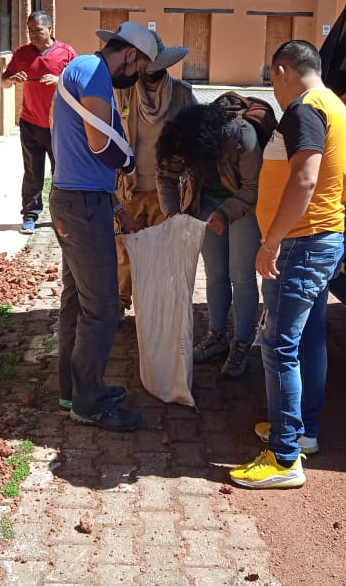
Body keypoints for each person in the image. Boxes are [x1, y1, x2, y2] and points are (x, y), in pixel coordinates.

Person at [229, 39, 346, 489]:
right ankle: (303, 432)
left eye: (271, 77)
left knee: (278, 344)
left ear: (282, 70)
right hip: (323, 237)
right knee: (307, 337)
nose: (272, 88)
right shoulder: (335, 105)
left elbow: (304, 178)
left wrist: (272, 243)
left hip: (301, 243)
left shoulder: (304, 109)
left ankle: (284, 457)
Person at [50, 21, 184, 432]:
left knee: (79, 300)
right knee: (104, 307)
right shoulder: (92, 73)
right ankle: (89, 403)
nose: (140, 73)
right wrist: (127, 160)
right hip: (80, 206)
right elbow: (99, 144)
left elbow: (85, 160)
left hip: (80, 200)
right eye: (141, 64)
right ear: (130, 54)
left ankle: (73, 390)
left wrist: (115, 207)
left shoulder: (85, 70)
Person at [156, 102, 263, 379]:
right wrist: (173, 215)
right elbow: (166, 177)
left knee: (241, 275)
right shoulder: (184, 138)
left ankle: (241, 343)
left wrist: (226, 213)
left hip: (245, 205)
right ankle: (217, 338)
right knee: (215, 273)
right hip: (207, 202)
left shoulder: (242, 137)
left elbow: (254, 186)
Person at [113, 31, 195, 313]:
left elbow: (195, 138)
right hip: (130, 187)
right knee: (125, 251)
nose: (150, 76)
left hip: (167, 191)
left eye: (156, 72)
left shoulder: (183, 94)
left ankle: (155, 305)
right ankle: (121, 302)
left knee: (162, 251)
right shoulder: (122, 91)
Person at [2, 11, 78, 235]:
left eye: (38, 30)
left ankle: (59, 216)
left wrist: (59, 80)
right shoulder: (23, 53)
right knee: (33, 172)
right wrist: (12, 80)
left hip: (59, 126)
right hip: (30, 123)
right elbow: (4, 82)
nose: (33, 35)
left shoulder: (67, 53)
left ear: (50, 29)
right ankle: (30, 215)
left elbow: (79, 85)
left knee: (60, 174)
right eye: (30, 31)